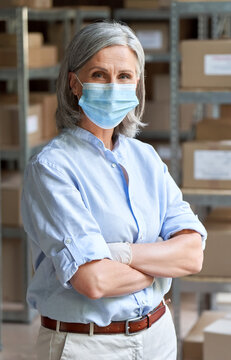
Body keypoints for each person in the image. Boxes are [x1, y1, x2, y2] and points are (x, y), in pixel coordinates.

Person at [21, 21, 207, 360]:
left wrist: (119, 253)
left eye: (124, 76)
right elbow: (95, 281)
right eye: (99, 75)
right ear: (74, 84)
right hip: (88, 345)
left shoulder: (145, 158)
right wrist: (162, 262)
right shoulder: (52, 168)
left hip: (157, 336)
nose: (113, 86)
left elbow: (193, 254)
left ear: (137, 84)